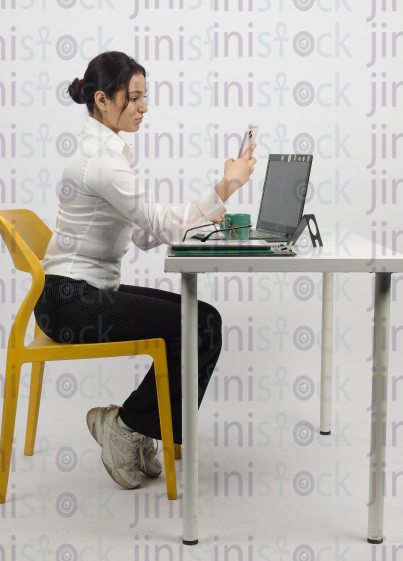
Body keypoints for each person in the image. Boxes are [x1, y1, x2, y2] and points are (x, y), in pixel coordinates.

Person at [33, 51, 257, 490]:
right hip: (70, 304)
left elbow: (145, 233)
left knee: (203, 320)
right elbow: (163, 224)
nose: (143, 107)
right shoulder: (101, 160)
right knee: (201, 324)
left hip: (79, 295)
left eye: (144, 97)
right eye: (133, 98)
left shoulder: (105, 152)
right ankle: (125, 427)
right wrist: (227, 185)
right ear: (102, 99)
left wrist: (181, 220)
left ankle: (132, 428)